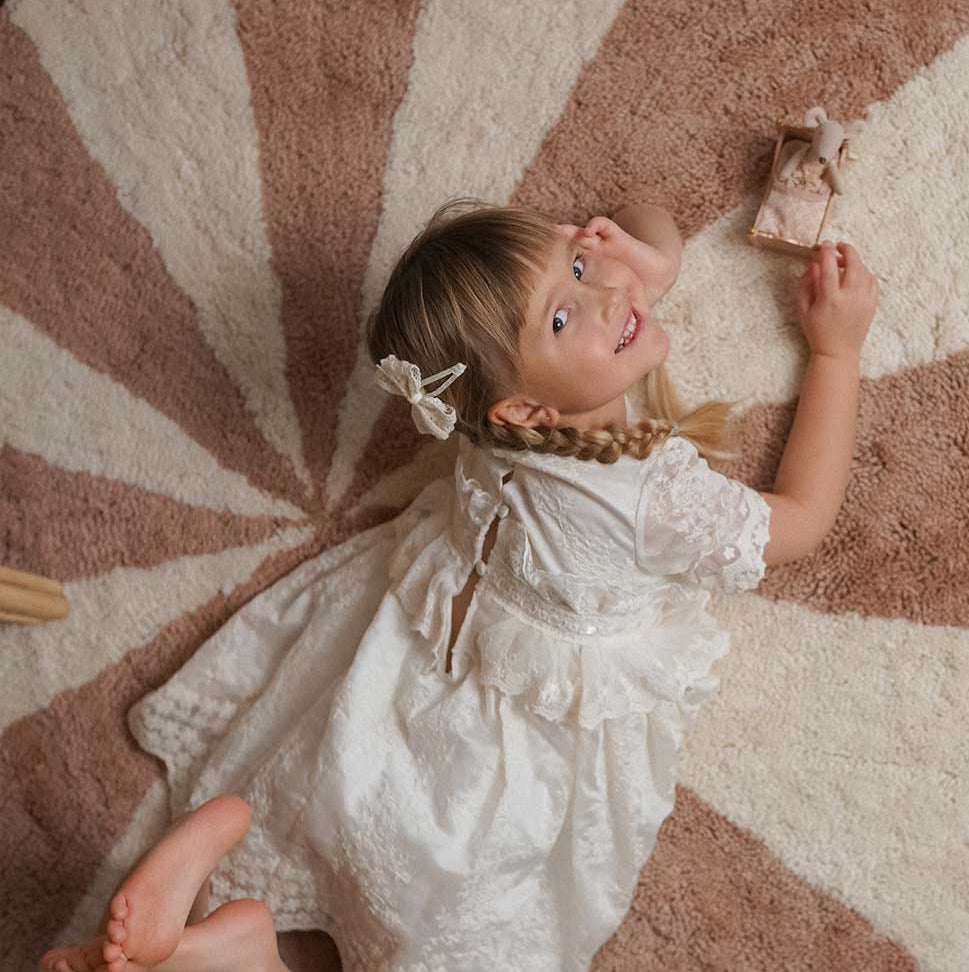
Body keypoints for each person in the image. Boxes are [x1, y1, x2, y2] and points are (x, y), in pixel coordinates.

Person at [40, 198, 878, 972]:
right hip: (526, 725)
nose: (608, 299)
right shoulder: (652, 498)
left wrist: (628, 256)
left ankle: (226, 953)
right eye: (562, 314)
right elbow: (802, 517)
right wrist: (836, 349)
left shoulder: (484, 405)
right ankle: (226, 953)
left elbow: (638, 245)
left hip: (435, 642)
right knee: (473, 920)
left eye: (583, 272)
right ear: (525, 408)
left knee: (362, 807)